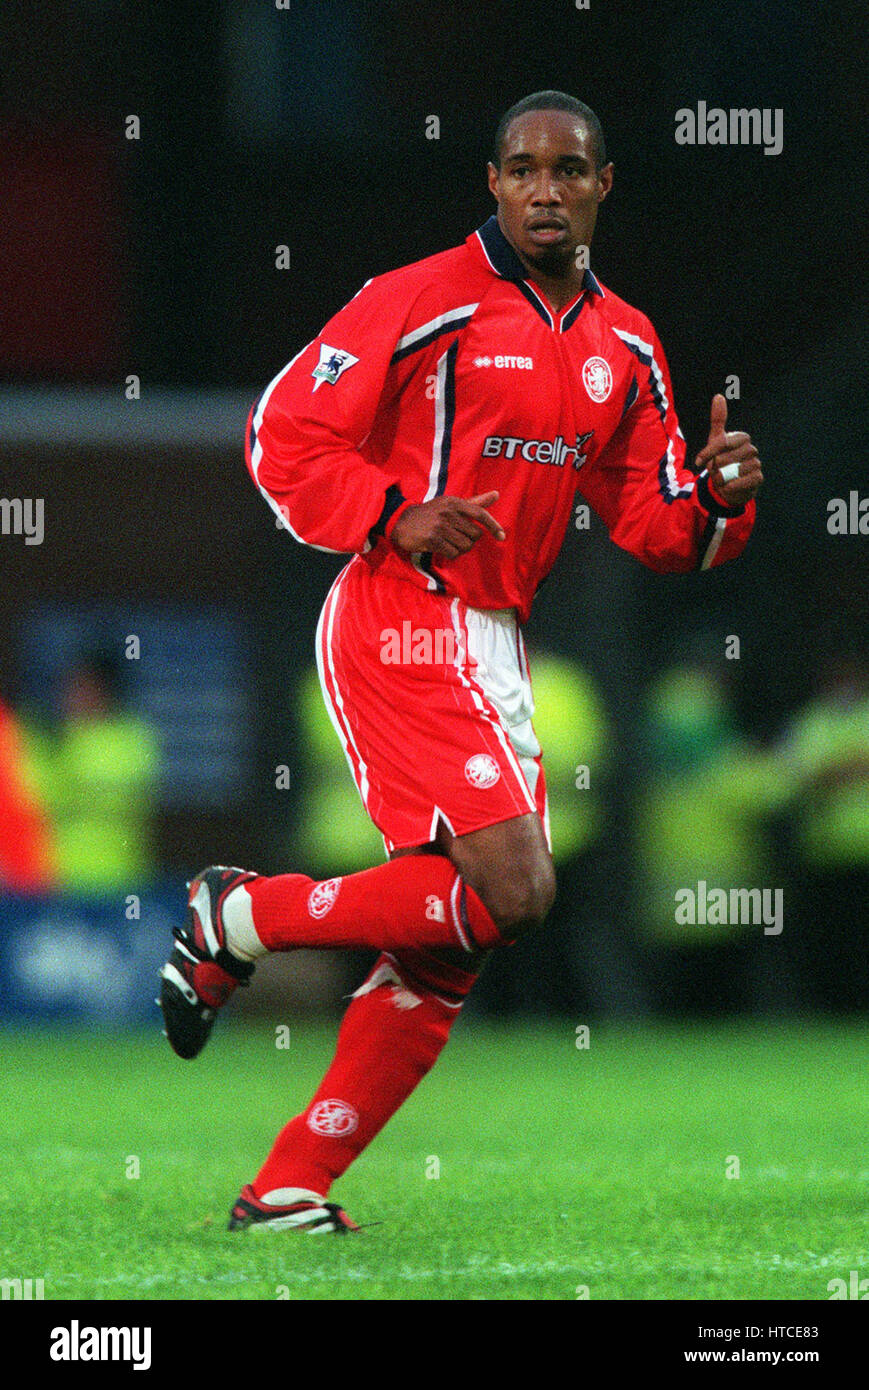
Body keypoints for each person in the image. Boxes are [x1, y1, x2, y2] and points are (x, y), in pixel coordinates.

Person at [159, 91, 763, 1233]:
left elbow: (655, 523)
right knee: (516, 889)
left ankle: (288, 1184)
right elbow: (281, 434)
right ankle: (238, 920)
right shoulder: (418, 298)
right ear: (490, 182)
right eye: (523, 169)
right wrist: (393, 513)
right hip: (402, 614)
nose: (545, 189)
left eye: (568, 170)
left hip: (492, 639)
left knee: (453, 944)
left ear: (601, 185)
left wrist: (720, 499)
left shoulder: (624, 342)